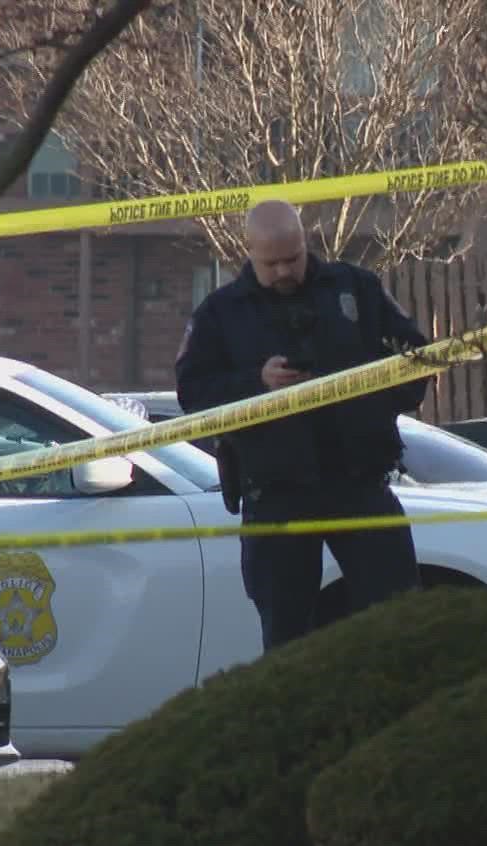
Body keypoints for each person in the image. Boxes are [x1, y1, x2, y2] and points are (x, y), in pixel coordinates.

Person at [175, 199, 429, 651]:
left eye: (292, 258)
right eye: (270, 263)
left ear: (305, 243)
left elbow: (415, 360)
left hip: (359, 481)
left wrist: (357, 379)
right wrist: (257, 381)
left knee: (399, 619)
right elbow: (194, 396)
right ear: (248, 252)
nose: (283, 272)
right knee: (285, 632)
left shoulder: (355, 289)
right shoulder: (223, 313)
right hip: (278, 492)